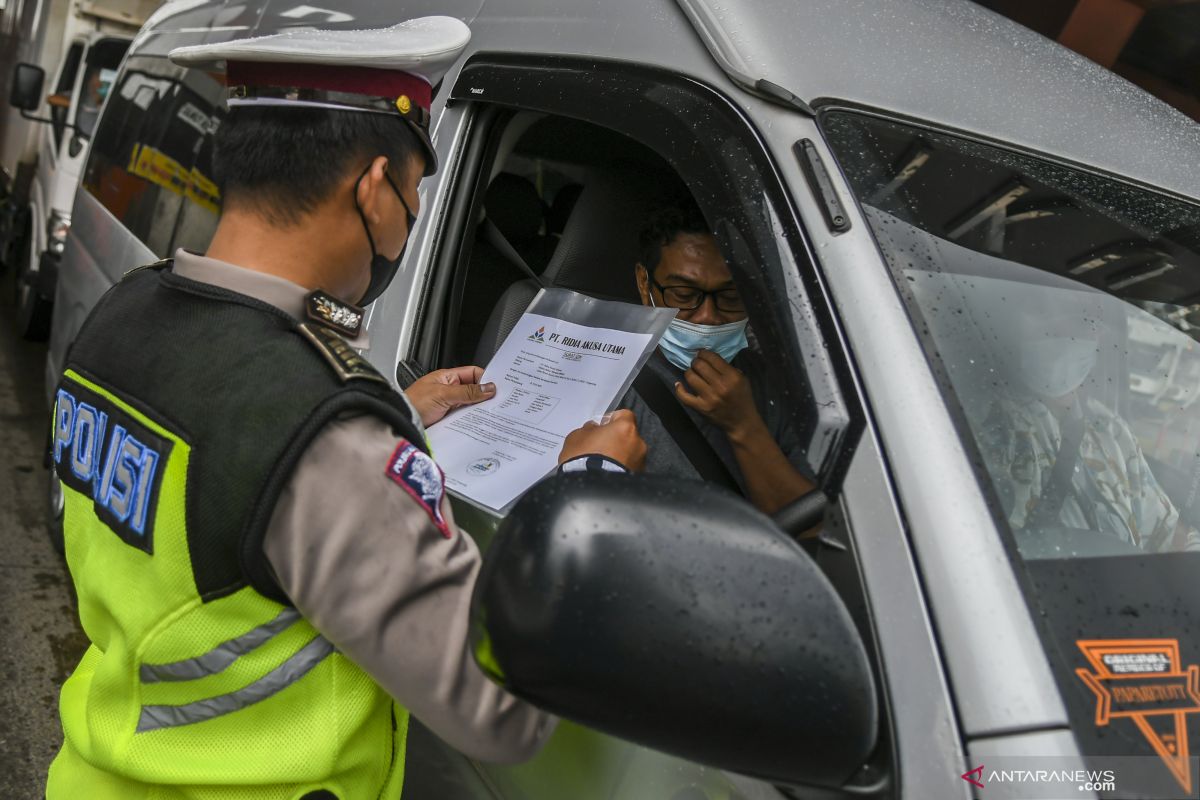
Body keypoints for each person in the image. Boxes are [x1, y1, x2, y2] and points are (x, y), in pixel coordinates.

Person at [45, 19, 645, 800]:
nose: (411, 219)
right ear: (372, 188)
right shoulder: (326, 435)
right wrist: (587, 482)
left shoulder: (125, 314)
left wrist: (395, 414)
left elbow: (217, 492)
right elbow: (500, 710)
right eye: (415, 194)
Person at [972, 288, 1200, 552]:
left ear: (1097, 337)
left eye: (1082, 321)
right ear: (1015, 327)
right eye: (1045, 316)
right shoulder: (989, 422)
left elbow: (1168, 533)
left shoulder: (1110, 429)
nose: (1061, 331)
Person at [621, 202, 814, 515]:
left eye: (731, 297)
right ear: (645, 284)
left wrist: (743, 424)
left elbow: (811, 526)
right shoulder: (601, 374)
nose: (708, 317)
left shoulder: (765, 382)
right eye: (684, 295)